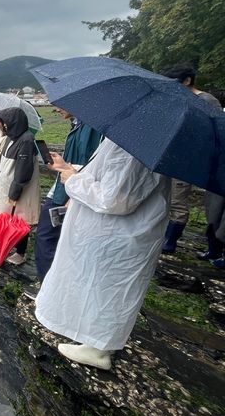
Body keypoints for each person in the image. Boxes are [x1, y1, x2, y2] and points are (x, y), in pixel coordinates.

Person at [35, 139, 170, 370]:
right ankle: (93, 339)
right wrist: (70, 169)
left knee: (107, 288)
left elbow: (116, 198)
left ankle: (98, 348)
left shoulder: (136, 141)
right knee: (99, 285)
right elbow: (110, 177)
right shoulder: (138, 135)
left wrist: (73, 180)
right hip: (113, 233)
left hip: (117, 236)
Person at [33, 109, 102, 282]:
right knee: (54, 237)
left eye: (59, 104)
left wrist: (69, 173)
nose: (55, 108)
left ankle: (47, 286)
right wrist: (63, 164)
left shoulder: (92, 126)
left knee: (46, 237)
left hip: (72, 191)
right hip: (66, 188)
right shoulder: (79, 124)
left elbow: (92, 166)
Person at [159, 64, 221, 253]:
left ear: (187, 80)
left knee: (179, 198)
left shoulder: (206, 100)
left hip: (191, 158)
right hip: (175, 155)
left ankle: (170, 242)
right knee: (167, 197)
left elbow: (216, 130)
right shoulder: (181, 98)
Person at [0, 108, 40, 265]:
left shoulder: (26, 140)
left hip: (18, 190)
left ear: (11, 123)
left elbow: (24, 171)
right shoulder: (10, 138)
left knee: (19, 220)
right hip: (5, 186)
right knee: (4, 216)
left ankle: (20, 252)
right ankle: (4, 243)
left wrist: (14, 192)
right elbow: (2, 162)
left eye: (1, 123)